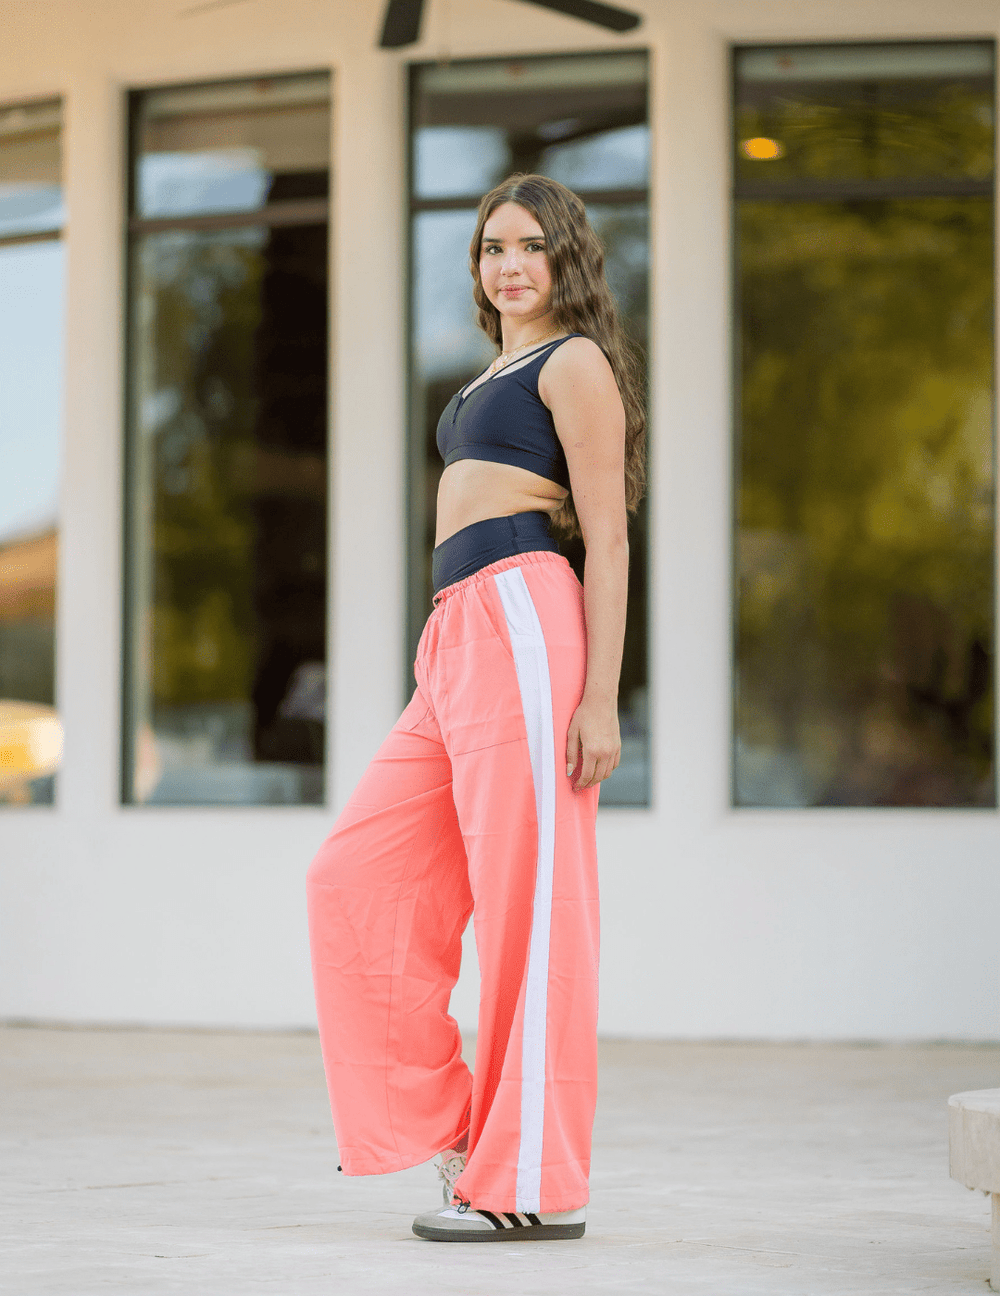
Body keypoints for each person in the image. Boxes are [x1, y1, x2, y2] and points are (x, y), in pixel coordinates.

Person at [306, 172, 645, 1242]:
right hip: (456, 636)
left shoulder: (574, 361)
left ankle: (529, 1181)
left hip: (527, 621)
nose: (510, 264)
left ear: (567, 258)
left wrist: (600, 697)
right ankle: (468, 1131)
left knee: (528, 910)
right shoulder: (490, 372)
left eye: (532, 245)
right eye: (494, 247)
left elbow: (608, 537)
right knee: (353, 876)